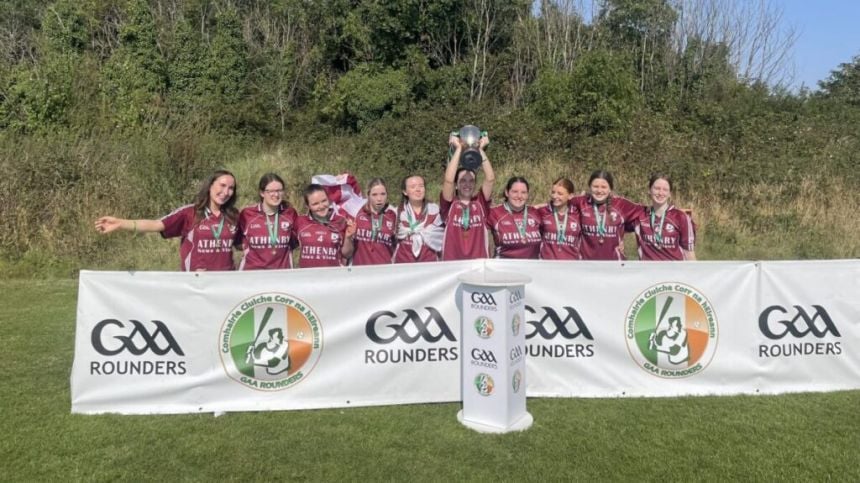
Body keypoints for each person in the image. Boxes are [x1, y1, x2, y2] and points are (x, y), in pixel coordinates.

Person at [94, 169, 239, 271]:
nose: (226, 192)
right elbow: (156, 224)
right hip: (196, 284)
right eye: (222, 185)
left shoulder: (233, 215)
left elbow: (243, 244)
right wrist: (120, 223)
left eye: (231, 188)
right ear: (210, 185)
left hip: (225, 283)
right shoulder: (189, 213)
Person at [440, 132, 495, 260]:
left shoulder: (480, 202)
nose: (467, 184)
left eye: (471, 181)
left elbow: (490, 179)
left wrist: (479, 149)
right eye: (463, 181)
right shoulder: (449, 204)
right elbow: (448, 180)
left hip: (478, 263)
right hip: (452, 263)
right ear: (456, 185)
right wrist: (459, 148)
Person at [571, 170, 638, 261]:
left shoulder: (621, 204)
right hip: (586, 264)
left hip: (615, 265)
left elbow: (644, 215)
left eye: (604, 187)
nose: (599, 191)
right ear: (589, 187)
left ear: (610, 189)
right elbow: (558, 205)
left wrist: (621, 232)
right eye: (595, 186)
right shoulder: (580, 202)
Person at [237, 173, 298, 270]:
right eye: (271, 191)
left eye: (279, 190)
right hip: (252, 276)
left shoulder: (290, 213)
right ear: (262, 193)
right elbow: (237, 243)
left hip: (282, 275)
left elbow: (295, 243)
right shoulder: (247, 214)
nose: (276, 195)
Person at [630, 173, 696, 261]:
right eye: (657, 188)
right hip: (647, 272)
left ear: (670, 194)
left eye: (665, 190)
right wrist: (619, 242)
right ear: (649, 190)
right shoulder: (639, 215)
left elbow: (689, 252)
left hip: (674, 273)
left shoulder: (681, 217)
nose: (660, 193)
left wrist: (695, 273)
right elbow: (618, 224)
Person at [293, 184, 356, 268]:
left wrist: (348, 237)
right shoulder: (300, 221)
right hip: (306, 278)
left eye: (324, 201)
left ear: (329, 199)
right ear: (308, 206)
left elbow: (347, 254)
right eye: (315, 204)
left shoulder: (341, 221)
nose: (321, 206)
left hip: (332, 277)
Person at [487, 177, 542, 259]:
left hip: (531, 269)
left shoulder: (536, 212)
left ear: (527, 194)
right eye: (515, 192)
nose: (519, 196)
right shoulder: (494, 213)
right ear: (507, 192)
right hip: (503, 268)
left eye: (523, 192)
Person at [394, 175, 443, 263]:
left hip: (430, 266)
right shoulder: (397, 212)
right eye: (413, 187)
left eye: (421, 186)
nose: (418, 189)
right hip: (402, 265)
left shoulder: (436, 211)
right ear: (405, 192)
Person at [351, 178, 397, 265]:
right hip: (361, 271)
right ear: (368, 195)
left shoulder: (393, 216)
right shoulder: (357, 213)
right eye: (374, 195)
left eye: (383, 194)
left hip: (384, 271)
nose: (379, 199)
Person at [537, 177, 582, 260]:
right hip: (546, 264)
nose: (555, 196)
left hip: (572, 264)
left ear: (570, 196)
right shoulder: (542, 212)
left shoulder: (578, 214)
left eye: (560, 194)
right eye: (553, 192)